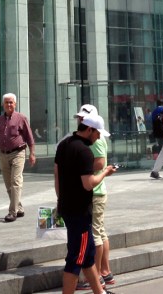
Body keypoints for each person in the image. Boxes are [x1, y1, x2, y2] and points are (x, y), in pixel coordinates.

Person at [54, 113, 118, 294]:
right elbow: (88, 183)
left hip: (67, 207)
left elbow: (57, 175)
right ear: (89, 129)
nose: (98, 137)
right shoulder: (84, 152)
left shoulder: (64, 145)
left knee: (88, 254)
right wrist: (105, 172)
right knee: (76, 258)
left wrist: (60, 200)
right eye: (97, 133)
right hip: (80, 212)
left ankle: (100, 292)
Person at [69, 104, 115, 290]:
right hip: (98, 189)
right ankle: (105, 271)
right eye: (80, 117)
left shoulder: (95, 139)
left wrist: (80, 168)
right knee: (100, 231)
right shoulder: (95, 137)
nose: (80, 120)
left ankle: (95, 276)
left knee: (95, 234)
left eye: (83, 118)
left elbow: (100, 162)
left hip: (94, 191)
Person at [0, 93, 37, 222]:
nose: (9, 105)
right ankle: (19, 207)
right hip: (3, 154)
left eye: (11, 102)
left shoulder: (21, 118)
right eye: (6, 102)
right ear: (3, 105)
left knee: (15, 182)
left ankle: (12, 212)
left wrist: (32, 154)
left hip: (18, 153)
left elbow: (30, 137)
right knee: (9, 185)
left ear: (15, 104)